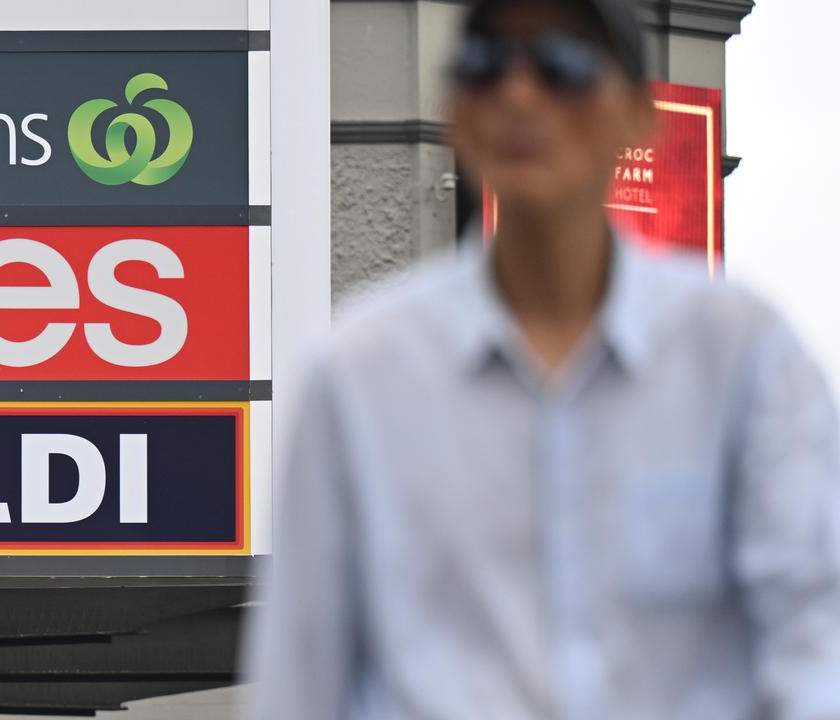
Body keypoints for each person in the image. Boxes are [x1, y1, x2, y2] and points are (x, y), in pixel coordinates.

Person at [243, 0, 840, 718]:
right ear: (457, 111)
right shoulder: (358, 375)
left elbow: (814, 648)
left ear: (638, 117)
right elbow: (301, 681)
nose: (520, 95)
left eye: (565, 66)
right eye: (486, 67)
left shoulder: (744, 357)